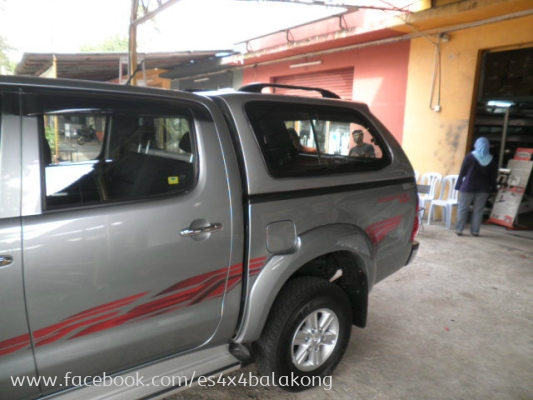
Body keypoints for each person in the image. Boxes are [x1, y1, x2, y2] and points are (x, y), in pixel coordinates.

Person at [454, 136, 498, 236]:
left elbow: (463, 172)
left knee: (463, 208)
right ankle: (475, 231)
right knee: (478, 210)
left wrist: (458, 185)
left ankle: (459, 230)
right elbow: (493, 176)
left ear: (476, 145)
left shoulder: (470, 156)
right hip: (483, 188)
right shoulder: (491, 159)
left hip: (468, 186)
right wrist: (494, 188)